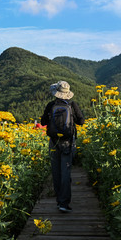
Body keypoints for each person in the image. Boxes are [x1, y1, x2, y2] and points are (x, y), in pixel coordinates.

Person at [40, 80, 85, 213]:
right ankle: (64, 203)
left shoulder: (51, 105)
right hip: (67, 142)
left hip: (54, 141)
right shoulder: (72, 105)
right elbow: (81, 121)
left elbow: (43, 122)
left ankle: (58, 198)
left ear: (56, 93)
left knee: (56, 171)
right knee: (66, 171)